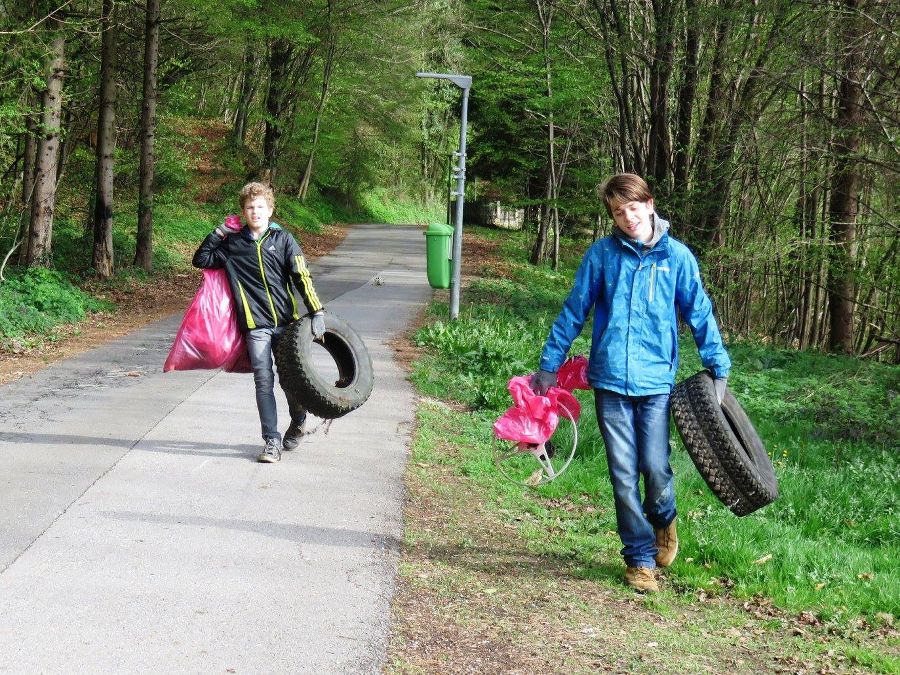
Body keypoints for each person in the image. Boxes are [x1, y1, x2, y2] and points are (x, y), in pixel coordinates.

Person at [531, 173, 731, 592]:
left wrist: (717, 365)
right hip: (609, 383)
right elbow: (574, 310)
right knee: (623, 473)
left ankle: (664, 518)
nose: (627, 217)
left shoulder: (677, 258)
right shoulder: (602, 256)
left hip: (656, 382)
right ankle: (639, 559)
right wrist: (549, 365)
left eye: (633, 208)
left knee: (654, 468)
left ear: (650, 204)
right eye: (618, 212)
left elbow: (699, 312)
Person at [193, 181, 325, 463]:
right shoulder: (234, 245)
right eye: (250, 207)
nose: (256, 212)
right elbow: (201, 259)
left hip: (287, 325)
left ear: (270, 210)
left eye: (260, 207)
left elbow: (302, 277)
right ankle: (271, 441)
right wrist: (219, 233)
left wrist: (317, 312)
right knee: (264, 381)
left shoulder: (284, 240)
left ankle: (299, 418)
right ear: (243, 211)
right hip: (256, 328)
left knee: (291, 380)